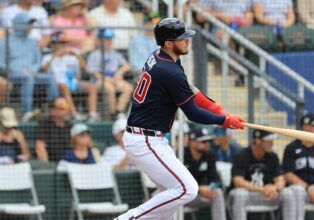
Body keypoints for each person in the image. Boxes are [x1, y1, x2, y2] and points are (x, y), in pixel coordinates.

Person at [114, 17, 245, 220]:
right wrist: (224, 121)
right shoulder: (169, 70)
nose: (188, 41)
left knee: (172, 193)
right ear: (168, 43)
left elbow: (191, 91)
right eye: (183, 38)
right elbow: (192, 112)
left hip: (149, 138)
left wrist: (219, 110)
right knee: (187, 189)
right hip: (145, 140)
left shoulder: (162, 57)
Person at [0, 12, 59, 121]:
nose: (30, 27)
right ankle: (26, 112)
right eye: (27, 24)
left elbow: (37, 61)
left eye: (31, 24)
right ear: (19, 24)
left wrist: (32, 70)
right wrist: (19, 71)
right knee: (27, 79)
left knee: (50, 78)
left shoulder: (33, 42)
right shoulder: (4, 42)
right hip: (13, 75)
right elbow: (1, 64)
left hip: (32, 74)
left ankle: (53, 110)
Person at [229, 129, 296, 220]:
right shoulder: (241, 155)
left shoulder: (273, 156)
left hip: (267, 196)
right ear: (257, 140)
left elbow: (281, 179)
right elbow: (238, 182)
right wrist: (262, 189)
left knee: (287, 193)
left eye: (272, 140)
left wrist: (275, 188)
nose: (272, 143)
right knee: (240, 194)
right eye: (268, 140)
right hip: (248, 195)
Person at [42, 31, 99, 122]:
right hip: (57, 84)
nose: (62, 45)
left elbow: (86, 69)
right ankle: (74, 114)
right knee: (64, 86)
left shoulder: (72, 56)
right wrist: (55, 56)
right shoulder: (48, 57)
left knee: (91, 86)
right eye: (59, 43)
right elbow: (43, 70)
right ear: (53, 44)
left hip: (73, 82)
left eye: (63, 43)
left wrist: (77, 56)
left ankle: (92, 114)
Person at [87, 29, 133, 119]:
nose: (108, 42)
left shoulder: (115, 54)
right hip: (99, 80)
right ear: (99, 40)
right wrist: (107, 79)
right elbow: (93, 72)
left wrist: (120, 72)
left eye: (110, 39)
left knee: (128, 87)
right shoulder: (94, 54)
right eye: (105, 39)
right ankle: (112, 114)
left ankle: (119, 111)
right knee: (110, 88)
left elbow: (127, 65)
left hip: (114, 78)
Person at [184, 128, 227, 220]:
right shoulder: (181, 154)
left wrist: (210, 188)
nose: (207, 144)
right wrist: (199, 189)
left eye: (208, 141)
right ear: (192, 142)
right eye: (203, 141)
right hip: (181, 194)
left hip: (197, 196)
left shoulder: (209, 155)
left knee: (218, 193)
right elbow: (175, 183)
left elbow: (215, 180)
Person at [35, 97, 72, 162]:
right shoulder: (44, 125)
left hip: (69, 163)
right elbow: (40, 147)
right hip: (51, 163)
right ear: (52, 111)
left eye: (67, 107)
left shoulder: (71, 126)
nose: (66, 110)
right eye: (62, 108)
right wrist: (47, 167)